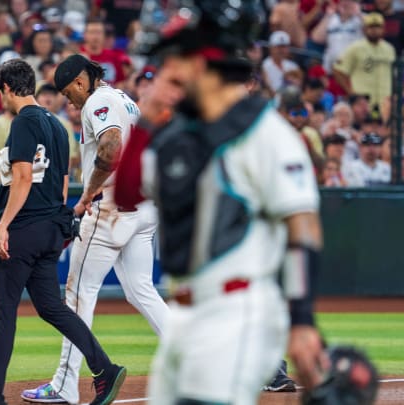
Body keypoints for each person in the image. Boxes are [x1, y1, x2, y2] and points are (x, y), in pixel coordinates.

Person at [115, 1, 327, 403]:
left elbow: (302, 229)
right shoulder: (179, 133)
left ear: (199, 63)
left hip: (237, 310)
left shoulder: (266, 133)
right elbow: (126, 193)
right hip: (183, 316)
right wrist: (148, 112)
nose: (167, 70)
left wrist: (302, 323)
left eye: (174, 59)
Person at [0, 58, 125, 405]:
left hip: (25, 228)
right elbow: (62, 184)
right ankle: (104, 368)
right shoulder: (58, 125)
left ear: (6, 89)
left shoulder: (23, 122)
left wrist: (4, 226)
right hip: (50, 228)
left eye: (0, 92)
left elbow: (23, 177)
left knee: (3, 308)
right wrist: (55, 222)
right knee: (51, 308)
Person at [21, 54, 168, 404]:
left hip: (112, 208)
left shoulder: (98, 101)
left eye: (67, 92)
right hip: (144, 205)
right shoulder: (124, 99)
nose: (67, 101)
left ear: (80, 82)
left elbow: (111, 145)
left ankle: (64, 385)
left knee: (77, 294)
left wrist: (88, 193)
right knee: (141, 290)